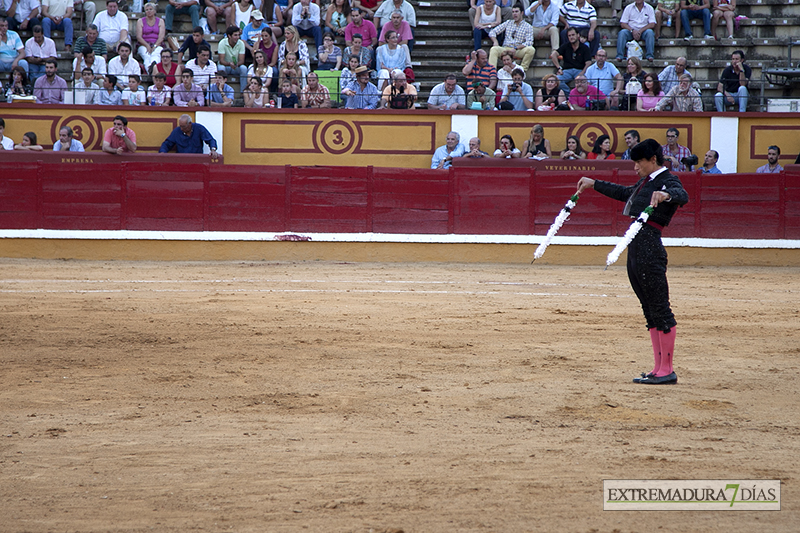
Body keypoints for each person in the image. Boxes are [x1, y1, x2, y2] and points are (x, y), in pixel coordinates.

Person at [576, 138, 689, 385]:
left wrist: (666, 194)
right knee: (649, 309)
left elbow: (683, 195)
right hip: (636, 247)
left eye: (639, 162)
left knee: (660, 307)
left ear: (652, 160)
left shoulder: (667, 179)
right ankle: (658, 367)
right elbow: (625, 193)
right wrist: (594, 184)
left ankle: (667, 369)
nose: (635, 167)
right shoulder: (647, 182)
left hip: (650, 246)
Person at [488, 4, 535, 76]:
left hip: (518, 50)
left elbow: (529, 42)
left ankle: (521, 71)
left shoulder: (528, 26)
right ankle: (492, 73)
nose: (514, 14)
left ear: (522, 13)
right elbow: (493, 32)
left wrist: (516, 48)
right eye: (513, 12)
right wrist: (495, 41)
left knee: (531, 49)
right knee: (494, 49)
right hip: (506, 49)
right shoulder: (508, 22)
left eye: (516, 12)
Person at [552, 26, 591, 95]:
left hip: (579, 70)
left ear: (578, 35)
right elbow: (553, 55)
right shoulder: (565, 46)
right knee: (556, 80)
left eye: (573, 35)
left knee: (587, 81)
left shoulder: (584, 48)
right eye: (569, 36)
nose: (571, 37)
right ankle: (570, 95)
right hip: (567, 71)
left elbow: (588, 62)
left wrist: (582, 72)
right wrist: (559, 68)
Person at [135, 2, 165, 71]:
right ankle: (151, 72)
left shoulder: (160, 21)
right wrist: (147, 46)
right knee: (146, 56)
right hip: (143, 44)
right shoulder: (140, 21)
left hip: (157, 44)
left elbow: (161, 37)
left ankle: (153, 69)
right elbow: (139, 37)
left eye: (151, 9)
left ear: (155, 11)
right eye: (147, 10)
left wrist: (155, 46)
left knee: (156, 54)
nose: (149, 11)